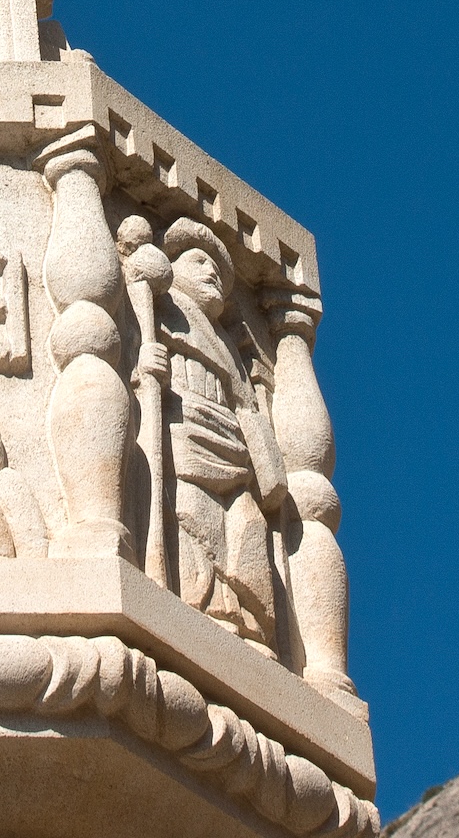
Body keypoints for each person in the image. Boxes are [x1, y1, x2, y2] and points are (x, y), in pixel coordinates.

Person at [137, 217, 289, 649]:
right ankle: (204, 606)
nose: (212, 274)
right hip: (187, 435)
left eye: (221, 274)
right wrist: (145, 356)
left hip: (231, 451)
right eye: (199, 261)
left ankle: (249, 623)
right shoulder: (162, 307)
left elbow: (245, 407)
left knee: (249, 526)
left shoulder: (231, 349)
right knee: (192, 515)